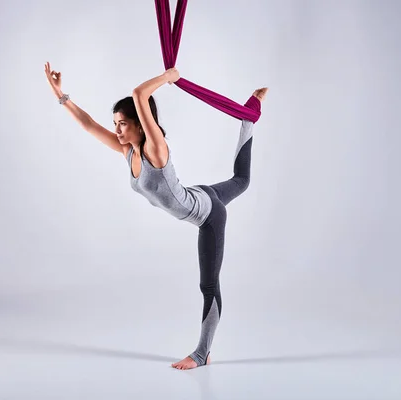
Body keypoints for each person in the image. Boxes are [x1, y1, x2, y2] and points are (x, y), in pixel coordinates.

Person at [44, 62, 267, 370]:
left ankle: (202, 354)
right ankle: (250, 114)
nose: (117, 129)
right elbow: (88, 124)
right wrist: (60, 95)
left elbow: (138, 94)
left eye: (122, 123)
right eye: (116, 123)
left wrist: (168, 77)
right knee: (242, 181)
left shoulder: (156, 150)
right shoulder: (128, 152)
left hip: (207, 215)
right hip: (198, 193)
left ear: (140, 124)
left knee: (209, 285)